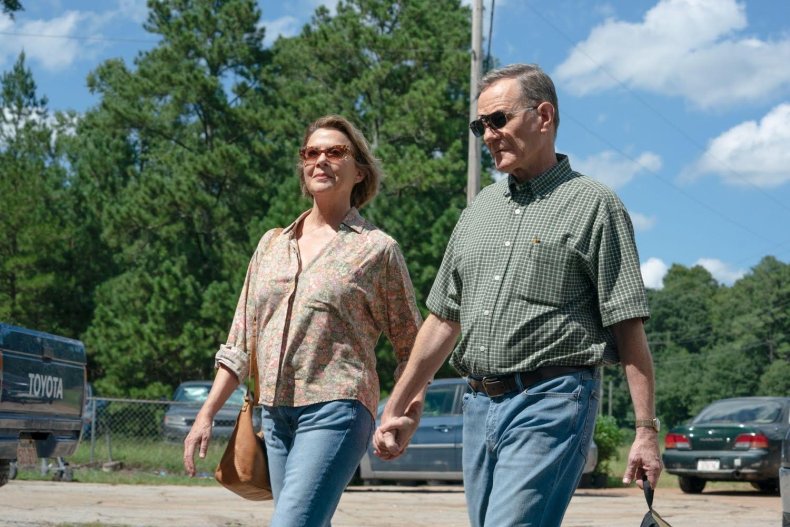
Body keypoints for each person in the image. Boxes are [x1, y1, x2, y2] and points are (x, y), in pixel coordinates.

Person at [374, 63, 662, 527]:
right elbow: (444, 320)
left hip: (552, 399)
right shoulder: (479, 210)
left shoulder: (595, 205)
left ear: (543, 116)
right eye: (479, 125)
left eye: (498, 120)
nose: (487, 135)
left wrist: (645, 432)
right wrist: (398, 406)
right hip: (478, 405)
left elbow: (628, 326)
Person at [183, 115, 423, 527]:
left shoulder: (378, 250)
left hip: (338, 408)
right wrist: (206, 413)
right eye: (311, 152)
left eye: (335, 152)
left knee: (291, 522)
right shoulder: (272, 245)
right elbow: (240, 341)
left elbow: (413, 347)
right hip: (275, 414)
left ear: (359, 170)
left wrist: (404, 416)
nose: (321, 160)